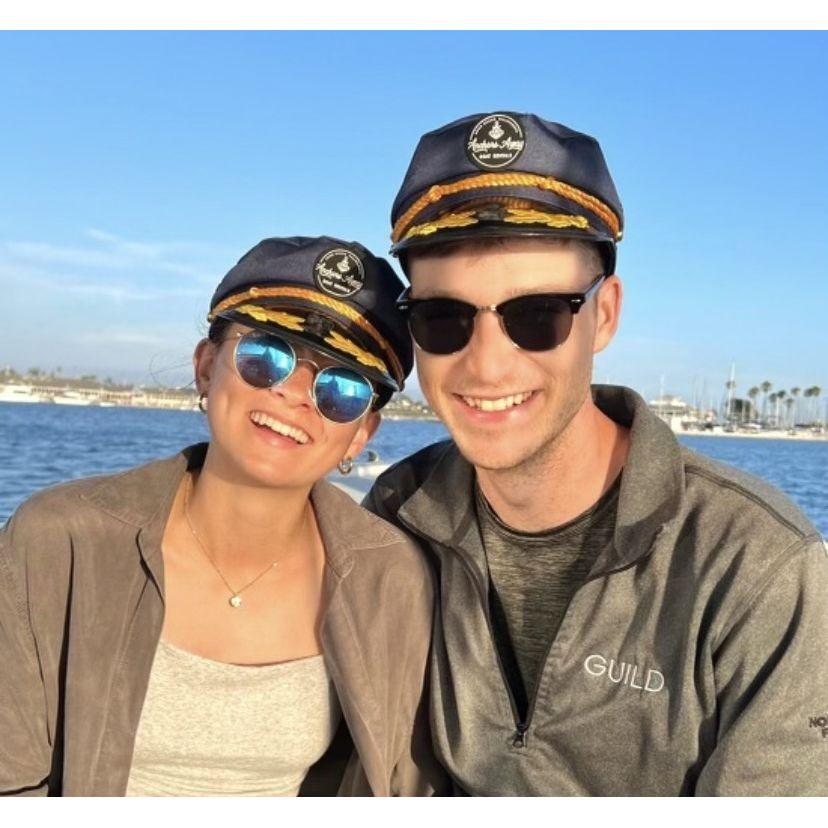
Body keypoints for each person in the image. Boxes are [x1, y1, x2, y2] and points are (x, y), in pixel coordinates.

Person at [364, 112, 828, 795]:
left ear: (603, 315)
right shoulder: (397, 517)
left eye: (537, 316)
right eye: (445, 320)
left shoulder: (756, 569)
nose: (487, 366)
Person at [0, 235, 446, 796]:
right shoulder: (57, 542)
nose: (297, 394)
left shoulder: (393, 582)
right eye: (267, 357)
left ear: (362, 432)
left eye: (343, 387)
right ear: (207, 367)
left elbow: (402, 785)